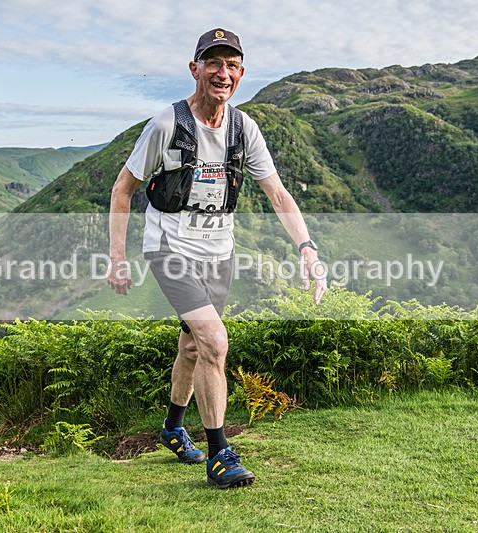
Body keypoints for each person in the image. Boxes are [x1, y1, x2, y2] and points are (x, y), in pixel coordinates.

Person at [107, 28, 326, 489]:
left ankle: (171, 427)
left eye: (231, 65)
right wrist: (117, 257)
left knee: (193, 346)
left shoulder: (244, 129)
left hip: (219, 252)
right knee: (214, 341)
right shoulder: (166, 125)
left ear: (240, 74)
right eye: (213, 63)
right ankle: (220, 453)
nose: (222, 73)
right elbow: (122, 189)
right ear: (195, 69)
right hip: (168, 246)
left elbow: (278, 194)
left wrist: (307, 248)